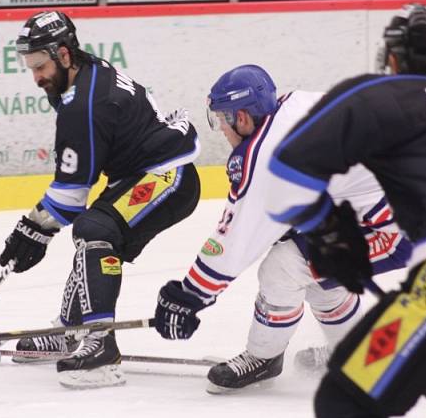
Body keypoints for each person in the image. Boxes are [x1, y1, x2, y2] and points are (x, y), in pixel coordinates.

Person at [266, 4, 426, 418]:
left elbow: (285, 179)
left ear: (395, 55)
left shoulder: (382, 94)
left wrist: (328, 234)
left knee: (346, 401)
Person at [152, 64, 411, 394]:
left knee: (285, 267)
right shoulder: (293, 105)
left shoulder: (267, 156)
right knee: (315, 267)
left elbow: (235, 240)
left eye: (221, 119)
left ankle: (264, 357)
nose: (221, 129)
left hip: (398, 226)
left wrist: (189, 296)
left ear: (242, 118)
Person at [0, 10, 201, 389]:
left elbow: (71, 196)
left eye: (40, 66)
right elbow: (77, 181)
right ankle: (73, 330)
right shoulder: (85, 71)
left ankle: (101, 346)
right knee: (97, 233)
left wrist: (32, 228)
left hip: (166, 176)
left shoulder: (84, 104)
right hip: (145, 174)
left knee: (95, 229)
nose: (36, 77)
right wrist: (36, 228)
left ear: (62, 54)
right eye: (30, 68)